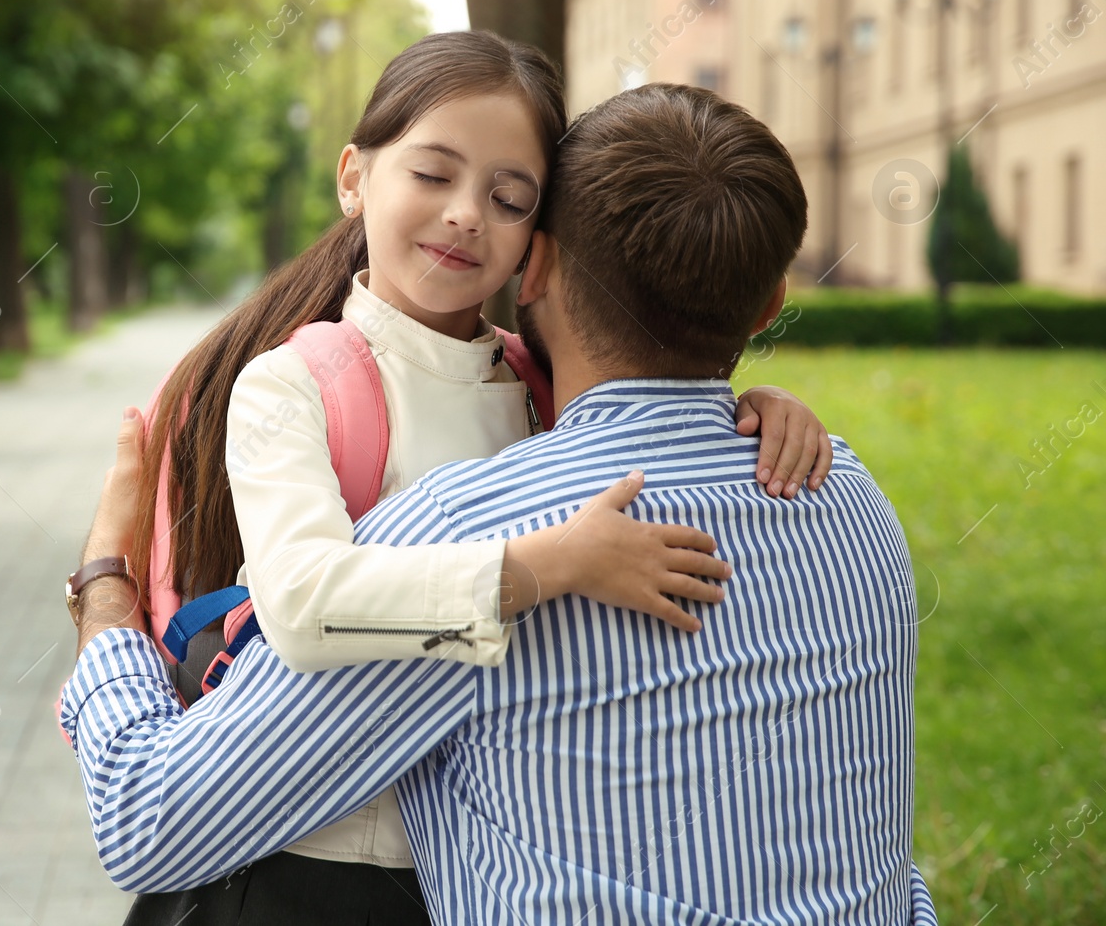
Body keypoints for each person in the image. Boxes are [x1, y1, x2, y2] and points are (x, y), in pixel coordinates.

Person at [62, 83, 937, 925]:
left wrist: (107, 588)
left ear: (537, 263)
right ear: (769, 307)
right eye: (433, 175)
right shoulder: (852, 503)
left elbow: (151, 819)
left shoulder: (470, 536)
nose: (465, 215)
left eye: (508, 196)